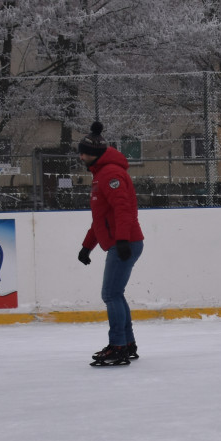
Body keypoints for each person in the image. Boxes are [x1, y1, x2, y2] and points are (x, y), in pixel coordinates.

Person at [75, 122, 145, 367]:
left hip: (124, 242)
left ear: (92, 154)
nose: (80, 156)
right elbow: (101, 218)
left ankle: (118, 346)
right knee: (116, 293)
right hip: (120, 241)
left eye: (82, 152)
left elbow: (123, 210)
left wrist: (123, 239)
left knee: (110, 294)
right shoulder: (101, 174)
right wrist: (87, 246)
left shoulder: (111, 174)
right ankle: (126, 343)